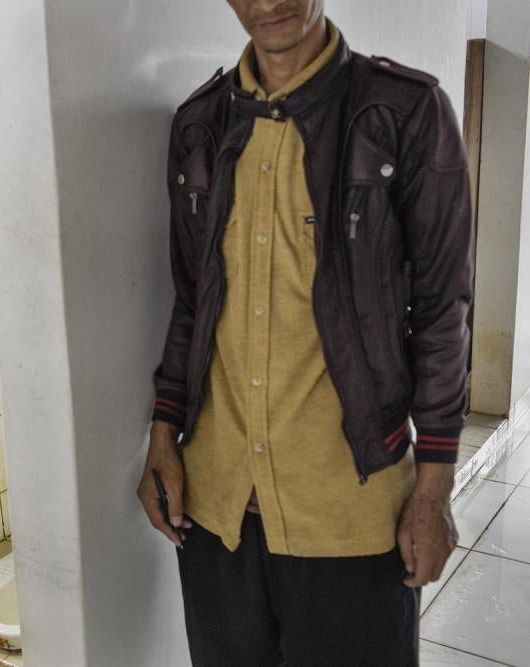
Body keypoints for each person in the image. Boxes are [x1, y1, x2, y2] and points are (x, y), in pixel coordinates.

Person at [137, 1, 473, 664]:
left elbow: (443, 312)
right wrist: (161, 434)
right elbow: (191, 301)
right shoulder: (199, 125)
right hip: (217, 514)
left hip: (348, 517)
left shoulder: (405, 114)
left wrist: (432, 493)